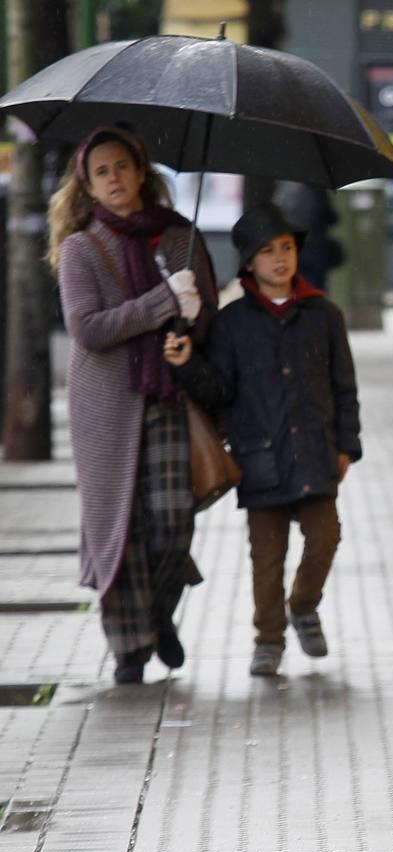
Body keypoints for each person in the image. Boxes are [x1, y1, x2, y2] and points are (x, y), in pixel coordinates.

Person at [48, 125, 218, 684]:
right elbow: (88, 329)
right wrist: (161, 302)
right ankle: (129, 648)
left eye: (123, 166)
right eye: (102, 172)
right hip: (105, 407)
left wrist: (190, 329)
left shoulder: (179, 237)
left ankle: (158, 615)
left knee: (171, 523)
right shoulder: (80, 247)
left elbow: (206, 315)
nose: (115, 178)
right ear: (88, 186)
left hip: (169, 396)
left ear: (142, 171)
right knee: (119, 527)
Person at [162, 203, 362, 677]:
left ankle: (303, 605)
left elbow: (344, 387)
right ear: (249, 262)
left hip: (314, 452)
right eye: (268, 251)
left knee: (325, 537)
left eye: (287, 248)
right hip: (259, 457)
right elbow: (218, 390)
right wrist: (186, 362)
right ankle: (268, 638)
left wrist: (346, 445)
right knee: (266, 557)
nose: (280, 259)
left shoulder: (324, 315)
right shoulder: (231, 324)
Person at [274, 181, 344, 290]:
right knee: (314, 289)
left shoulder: (284, 188)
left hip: (292, 249)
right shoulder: (315, 188)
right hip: (314, 250)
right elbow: (331, 217)